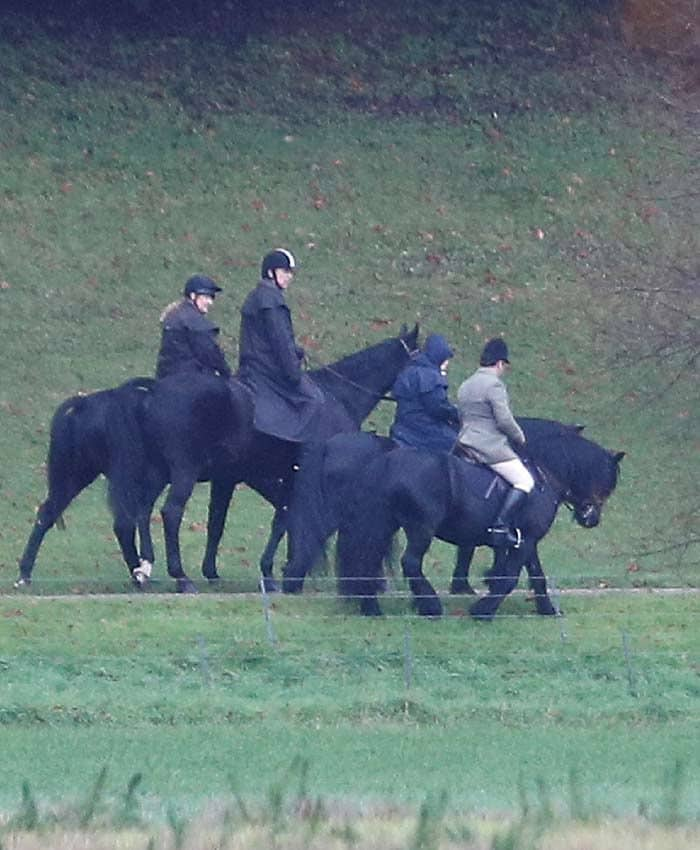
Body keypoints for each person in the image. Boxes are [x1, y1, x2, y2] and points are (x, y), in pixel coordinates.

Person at [238, 248, 326, 442]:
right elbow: (280, 341)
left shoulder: (258, 296)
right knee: (315, 400)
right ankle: (291, 444)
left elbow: (266, 338)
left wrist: (297, 351)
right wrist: (293, 373)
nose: (289, 277)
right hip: (267, 370)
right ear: (271, 273)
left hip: (253, 366)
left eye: (290, 273)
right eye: (285, 271)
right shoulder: (271, 300)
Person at [456, 337, 534, 547]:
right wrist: (520, 437)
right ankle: (500, 526)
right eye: (504, 366)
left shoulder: (466, 384)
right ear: (500, 363)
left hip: (463, 444)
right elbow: (504, 420)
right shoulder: (494, 385)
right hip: (488, 447)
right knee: (525, 481)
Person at [389, 333, 460, 453]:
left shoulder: (409, 370)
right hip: (423, 431)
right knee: (458, 444)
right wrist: (457, 414)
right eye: (445, 359)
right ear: (438, 356)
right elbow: (438, 408)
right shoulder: (430, 377)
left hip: (401, 428)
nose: (447, 364)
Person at [155, 275, 232, 380]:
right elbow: (211, 355)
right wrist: (227, 374)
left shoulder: (174, 315)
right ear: (193, 296)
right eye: (206, 297)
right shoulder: (194, 322)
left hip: (165, 377)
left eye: (211, 297)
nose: (210, 302)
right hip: (190, 379)